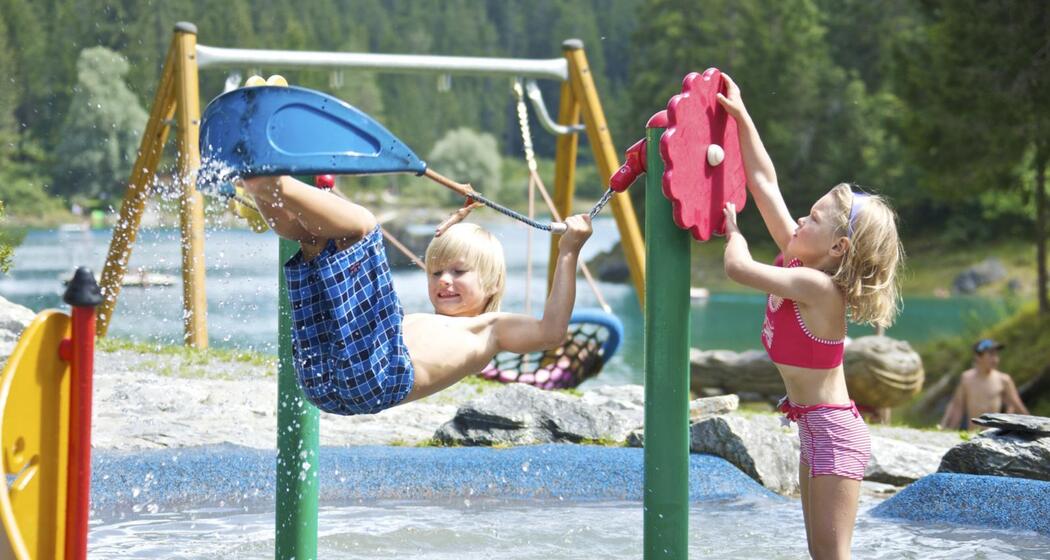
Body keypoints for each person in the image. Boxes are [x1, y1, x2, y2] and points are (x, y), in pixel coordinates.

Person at [716, 74, 903, 560]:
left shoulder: (818, 288)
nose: (799, 220)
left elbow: (737, 267)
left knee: (830, 558)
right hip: (812, 427)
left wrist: (732, 229)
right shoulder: (798, 261)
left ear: (838, 247)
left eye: (813, 218)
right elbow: (763, 183)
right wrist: (742, 117)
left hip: (834, 433)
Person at [239, 175, 592, 415]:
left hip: (381, 375)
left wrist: (568, 252)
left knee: (363, 226)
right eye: (436, 273)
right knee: (313, 242)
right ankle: (257, 186)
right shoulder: (428, 322)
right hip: (324, 380)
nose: (445, 281)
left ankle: (274, 181)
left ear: (493, 283)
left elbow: (552, 332)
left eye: (459, 272)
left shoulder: (492, 329)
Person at [938, 339, 1029, 431]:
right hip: (972, 435)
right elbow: (958, 407)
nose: (995, 359)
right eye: (990, 354)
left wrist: (1033, 427)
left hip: (993, 436)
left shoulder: (1003, 379)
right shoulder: (967, 378)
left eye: (996, 354)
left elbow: (1017, 406)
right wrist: (948, 430)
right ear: (978, 356)